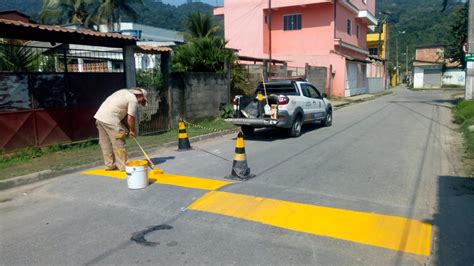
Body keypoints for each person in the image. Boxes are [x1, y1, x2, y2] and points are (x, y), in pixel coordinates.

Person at [94, 87, 149, 171]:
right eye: (142, 101)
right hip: (111, 119)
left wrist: (129, 129)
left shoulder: (123, 92)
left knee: (105, 143)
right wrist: (133, 131)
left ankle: (109, 165)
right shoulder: (133, 99)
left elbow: (122, 115)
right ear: (141, 96)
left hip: (100, 118)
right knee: (119, 143)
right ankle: (123, 166)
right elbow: (131, 118)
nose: (140, 103)